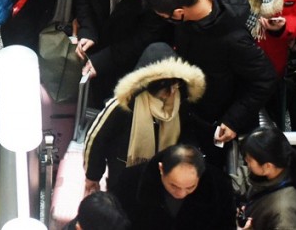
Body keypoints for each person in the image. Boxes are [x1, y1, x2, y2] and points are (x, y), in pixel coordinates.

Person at [142, 0, 276, 146]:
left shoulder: (233, 38)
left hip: (216, 118)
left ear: (179, 13)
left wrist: (233, 120)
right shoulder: (193, 3)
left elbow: (265, 79)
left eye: (164, 17)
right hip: (190, 105)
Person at [81, 42, 206, 200]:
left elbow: (187, 133)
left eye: (176, 85)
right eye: (167, 87)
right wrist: (92, 176)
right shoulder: (124, 104)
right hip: (123, 176)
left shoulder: (180, 102)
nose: (172, 92)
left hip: (164, 179)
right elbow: (96, 139)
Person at [124, 143, 234, 230]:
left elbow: (226, 225)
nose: (181, 194)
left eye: (190, 187)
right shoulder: (130, 182)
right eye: (174, 186)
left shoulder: (220, 187)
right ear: (161, 169)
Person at [237, 127, 296, 230]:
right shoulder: (274, 174)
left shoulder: (284, 213)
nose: (246, 161)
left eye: (249, 160)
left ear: (267, 166)